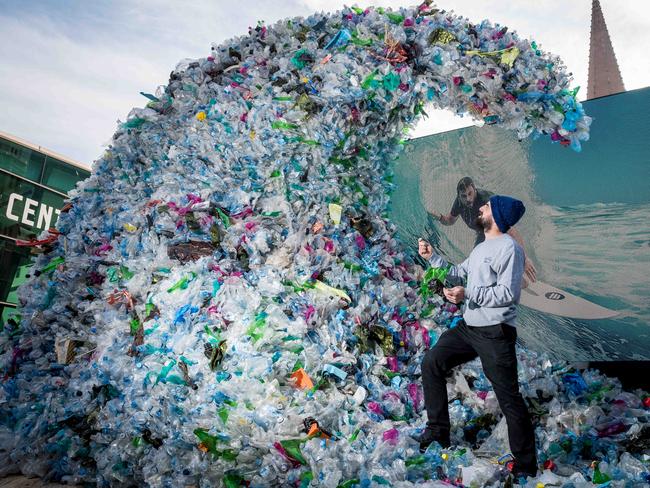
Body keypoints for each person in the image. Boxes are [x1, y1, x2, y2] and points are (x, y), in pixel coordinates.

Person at [417, 195, 538, 479]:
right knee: (432, 362)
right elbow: (459, 272)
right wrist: (431, 257)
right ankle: (438, 434)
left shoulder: (509, 249)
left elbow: (509, 295)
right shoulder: (483, 246)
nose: (480, 208)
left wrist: (468, 293)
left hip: (495, 333)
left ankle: (526, 467)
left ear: (495, 214)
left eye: (485, 206)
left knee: (509, 399)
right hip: (469, 327)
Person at [430, 177, 536, 284]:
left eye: (470, 193)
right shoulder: (459, 203)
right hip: (483, 234)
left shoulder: (486, 202)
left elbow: (512, 231)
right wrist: (439, 217)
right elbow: (450, 221)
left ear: (474, 190)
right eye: (464, 196)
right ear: (459, 196)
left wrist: (525, 258)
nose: (468, 198)